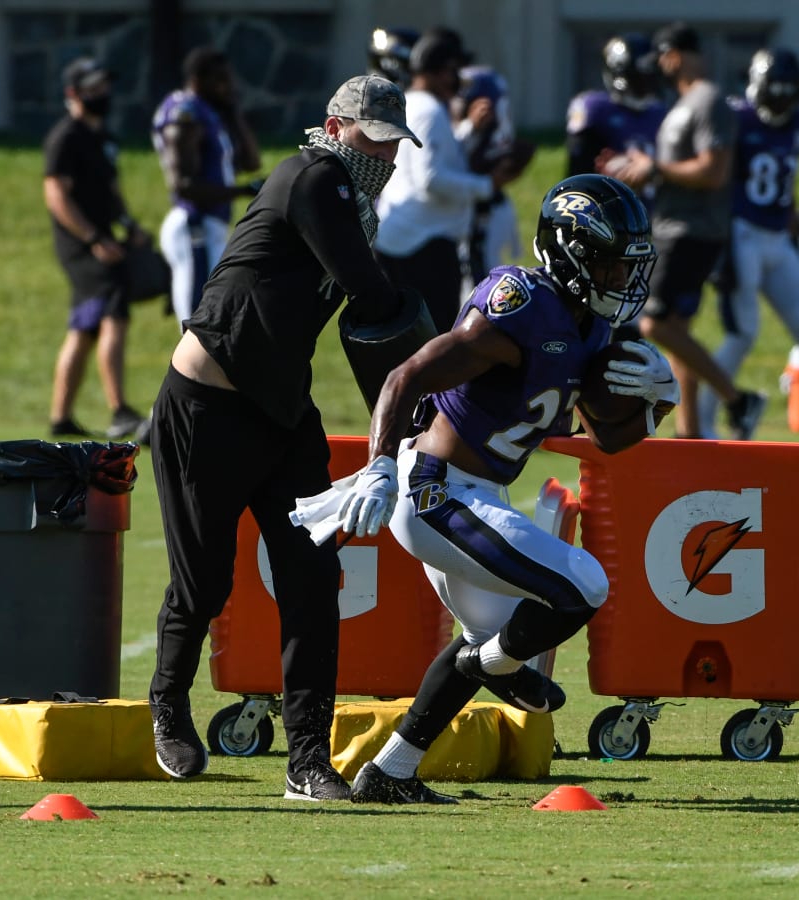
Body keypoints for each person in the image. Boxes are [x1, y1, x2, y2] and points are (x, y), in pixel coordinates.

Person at [295, 174, 672, 805]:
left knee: (496, 641)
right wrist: (380, 465)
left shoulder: (591, 329)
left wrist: (653, 408)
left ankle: (389, 772)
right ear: (570, 253)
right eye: (608, 264)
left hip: (479, 497)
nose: (619, 280)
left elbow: (608, 440)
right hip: (434, 492)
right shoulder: (522, 305)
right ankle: (489, 665)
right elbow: (406, 376)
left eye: (625, 266)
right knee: (582, 587)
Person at [146, 74, 422, 801]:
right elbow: (372, 292)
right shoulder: (312, 176)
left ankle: (307, 760)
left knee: (310, 583)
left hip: (283, 413)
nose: (384, 158)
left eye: (395, 146)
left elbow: (369, 321)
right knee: (204, 582)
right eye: (374, 140)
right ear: (334, 129)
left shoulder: (354, 205)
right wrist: (447, 356)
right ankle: (168, 703)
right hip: (205, 404)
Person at [605, 22, 765, 440]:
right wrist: (640, 169)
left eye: (660, 57)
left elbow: (714, 172)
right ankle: (689, 430)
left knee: (654, 325)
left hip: (692, 230)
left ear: (672, 55)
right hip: (677, 227)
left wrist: (656, 169)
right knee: (678, 330)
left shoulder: (709, 100)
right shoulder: (683, 103)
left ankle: (736, 398)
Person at [697, 48, 799, 443]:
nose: (781, 101)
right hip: (742, 234)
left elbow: (786, 184)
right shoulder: (737, 118)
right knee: (743, 334)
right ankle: (702, 424)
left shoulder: (798, 121)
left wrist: (793, 227)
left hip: (778, 238)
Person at [374, 29, 524, 333]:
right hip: (422, 246)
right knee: (434, 340)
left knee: (409, 341)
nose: (458, 79)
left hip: (406, 238)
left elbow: (435, 160)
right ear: (442, 72)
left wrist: (468, 128)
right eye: (454, 71)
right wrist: (488, 184)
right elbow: (430, 180)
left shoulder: (415, 104)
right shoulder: (428, 110)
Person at [43, 56, 152, 441]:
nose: (102, 93)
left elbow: (110, 191)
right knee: (113, 315)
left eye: (104, 85)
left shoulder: (103, 137)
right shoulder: (66, 136)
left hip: (105, 240)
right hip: (84, 247)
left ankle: (61, 417)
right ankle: (120, 410)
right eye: (93, 86)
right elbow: (56, 193)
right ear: (73, 93)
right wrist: (93, 239)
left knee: (85, 328)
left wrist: (129, 226)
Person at [152, 46, 262, 327]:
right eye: (221, 80)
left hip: (210, 226)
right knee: (198, 325)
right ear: (199, 80)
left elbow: (251, 162)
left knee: (215, 323)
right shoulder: (186, 115)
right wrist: (243, 191)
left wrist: (234, 112)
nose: (228, 87)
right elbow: (184, 187)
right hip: (194, 227)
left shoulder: (210, 113)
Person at [453, 65, 535, 291]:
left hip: (481, 211)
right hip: (483, 206)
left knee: (479, 281)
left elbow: (457, 156)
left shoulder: (481, 130)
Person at [565, 32, 666, 209]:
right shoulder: (595, 108)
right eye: (641, 75)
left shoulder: (660, 112)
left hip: (654, 211)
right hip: (606, 210)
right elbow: (577, 173)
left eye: (650, 75)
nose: (647, 82)